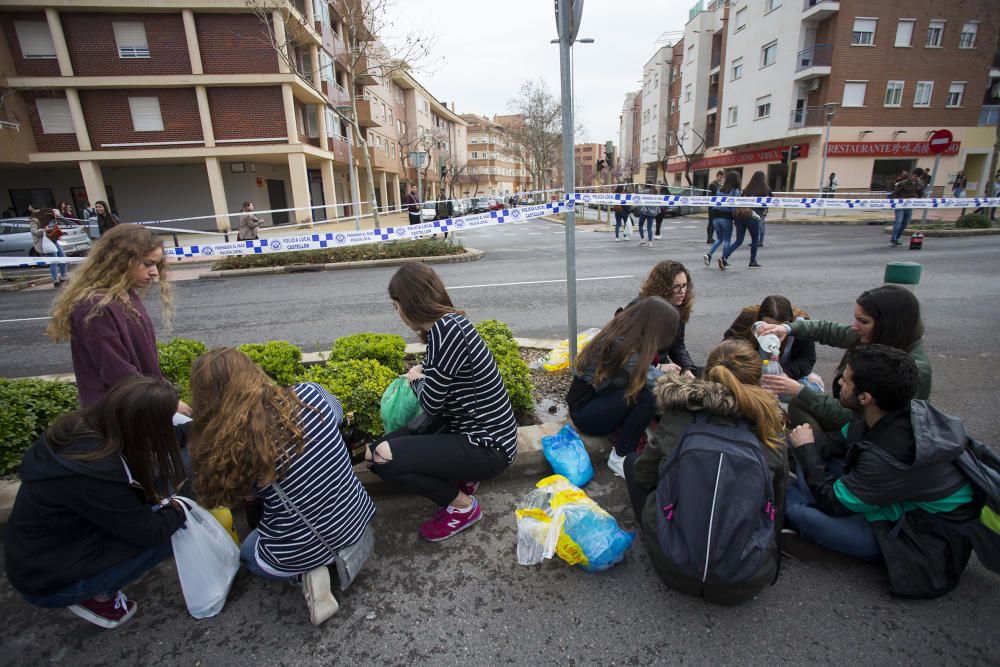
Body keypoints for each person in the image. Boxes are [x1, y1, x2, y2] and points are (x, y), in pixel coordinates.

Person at [189, 348, 375, 626]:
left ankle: (304, 572)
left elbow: (237, 495)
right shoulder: (310, 394)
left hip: (307, 545)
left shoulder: (235, 448)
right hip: (357, 521)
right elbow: (336, 416)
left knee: (249, 554)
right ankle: (317, 564)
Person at [784, 345, 978, 598]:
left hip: (915, 538)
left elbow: (833, 502)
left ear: (865, 397)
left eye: (846, 379)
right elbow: (834, 443)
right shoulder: (884, 413)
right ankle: (821, 520)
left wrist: (805, 452)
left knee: (797, 508)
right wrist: (797, 445)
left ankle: (817, 529)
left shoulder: (890, 454)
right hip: (889, 500)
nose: (839, 381)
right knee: (805, 452)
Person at [4, 377, 188, 629]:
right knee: (178, 532)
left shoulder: (88, 433)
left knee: (160, 505)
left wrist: (203, 426)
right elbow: (150, 531)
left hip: (47, 553)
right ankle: (94, 594)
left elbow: (168, 438)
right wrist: (182, 506)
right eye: (164, 422)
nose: (169, 427)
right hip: (49, 582)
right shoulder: (95, 474)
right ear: (144, 427)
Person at [625, 339, 788, 605]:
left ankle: (669, 533)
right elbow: (777, 499)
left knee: (632, 462)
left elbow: (645, 475)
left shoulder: (681, 414)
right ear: (757, 380)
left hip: (673, 569)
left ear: (708, 373)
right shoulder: (771, 426)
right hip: (744, 580)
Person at [369, 262, 518, 542]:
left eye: (396, 304)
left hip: (488, 445)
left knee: (383, 457)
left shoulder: (447, 331)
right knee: (374, 453)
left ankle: (463, 507)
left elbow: (431, 403)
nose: (396, 312)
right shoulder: (446, 328)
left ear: (410, 302)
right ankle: (464, 478)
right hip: (471, 431)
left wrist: (414, 379)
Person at [46, 224, 190, 415]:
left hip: (140, 407)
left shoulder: (125, 294)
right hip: (117, 417)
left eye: (156, 264)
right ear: (120, 260)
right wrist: (167, 403)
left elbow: (144, 362)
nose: (155, 272)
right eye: (147, 264)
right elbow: (117, 372)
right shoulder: (94, 306)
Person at [755, 285, 931, 433]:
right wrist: (787, 328)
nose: (854, 327)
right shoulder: (873, 335)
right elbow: (826, 329)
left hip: (867, 437)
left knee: (799, 429)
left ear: (889, 325)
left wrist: (801, 391)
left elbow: (861, 421)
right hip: (853, 422)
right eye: (855, 319)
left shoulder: (911, 370)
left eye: (863, 321)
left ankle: (818, 457)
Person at [567, 296, 680, 478]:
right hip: (585, 413)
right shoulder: (622, 343)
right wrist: (692, 391)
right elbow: (654, 380)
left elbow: (646, 372)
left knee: (647, 392)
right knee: (650, 394)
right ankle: (620, 456)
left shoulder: (625, 334)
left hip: (595, 402)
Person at [724, 295, 820, 393]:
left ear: (789, 323)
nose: (774, 332)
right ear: (759, 320)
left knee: (814, 385)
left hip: (783, 376)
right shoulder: (748, 319)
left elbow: (807, 359)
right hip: (750, 375)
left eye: (779, 327)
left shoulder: (800, 325)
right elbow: (727, 347)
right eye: (768, 325)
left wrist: (787, 374)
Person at [631, 260, 698, 378]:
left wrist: (687, 368)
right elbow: (627, 353)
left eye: (685, 285)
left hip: (661, 366)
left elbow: (677, 345)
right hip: (639, 372)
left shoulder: (679, 306)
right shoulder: (641, 308)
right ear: (663, 287)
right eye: (676, 286)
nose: (682, 291)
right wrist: (658, 367)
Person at [728, 169, 768, 268]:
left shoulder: (746, 189)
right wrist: (763, 211)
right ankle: (752, 261)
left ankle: (724, 257)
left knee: (739, 240)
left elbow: (739, 202)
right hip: (753, 217)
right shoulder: (764, 190)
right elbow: (766, 203)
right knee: (755, 239)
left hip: (741, 217)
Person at [704, 170, 741, 270]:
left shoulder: (720, 189)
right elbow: (734, 207)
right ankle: (723, 259)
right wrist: (736, 219)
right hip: (726, 217)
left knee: (719, 239)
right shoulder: (735, 191)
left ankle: (709, 254)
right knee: (726, 240)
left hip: (716, 218)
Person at [29, 208, 68, 287]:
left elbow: (53, 228)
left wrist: (59, 233)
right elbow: (34, 232)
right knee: (54, 261)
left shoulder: (50, 219)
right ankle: (55, 281)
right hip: (45, 242)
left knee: (63, 258)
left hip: (53, 240)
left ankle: (63, 277)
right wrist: (44, 230)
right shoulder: (34, 221)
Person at [889, 169, 923, 246]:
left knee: (905, 223)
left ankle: (897, 238)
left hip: (910, 205)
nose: (917, 178)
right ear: (913, 175)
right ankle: (893, 239)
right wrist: (895, 201)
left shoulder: (920, 184)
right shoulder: (903, 183)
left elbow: (921, 194)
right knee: (898, 222)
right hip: (900, 205)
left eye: (919, 177)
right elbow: (894, 193)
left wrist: (918, 200)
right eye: (916, 176)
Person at [706, 170, 724, 243]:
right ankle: (709, 238)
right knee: (711, 222)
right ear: (717, 176)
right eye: (720, 177)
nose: (721, 179)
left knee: (713, 222)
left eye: (722, 177)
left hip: (715, 206)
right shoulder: (713, 185)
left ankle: (710, 237)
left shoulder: (718, 185)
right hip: (712, 206)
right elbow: (717, 193)